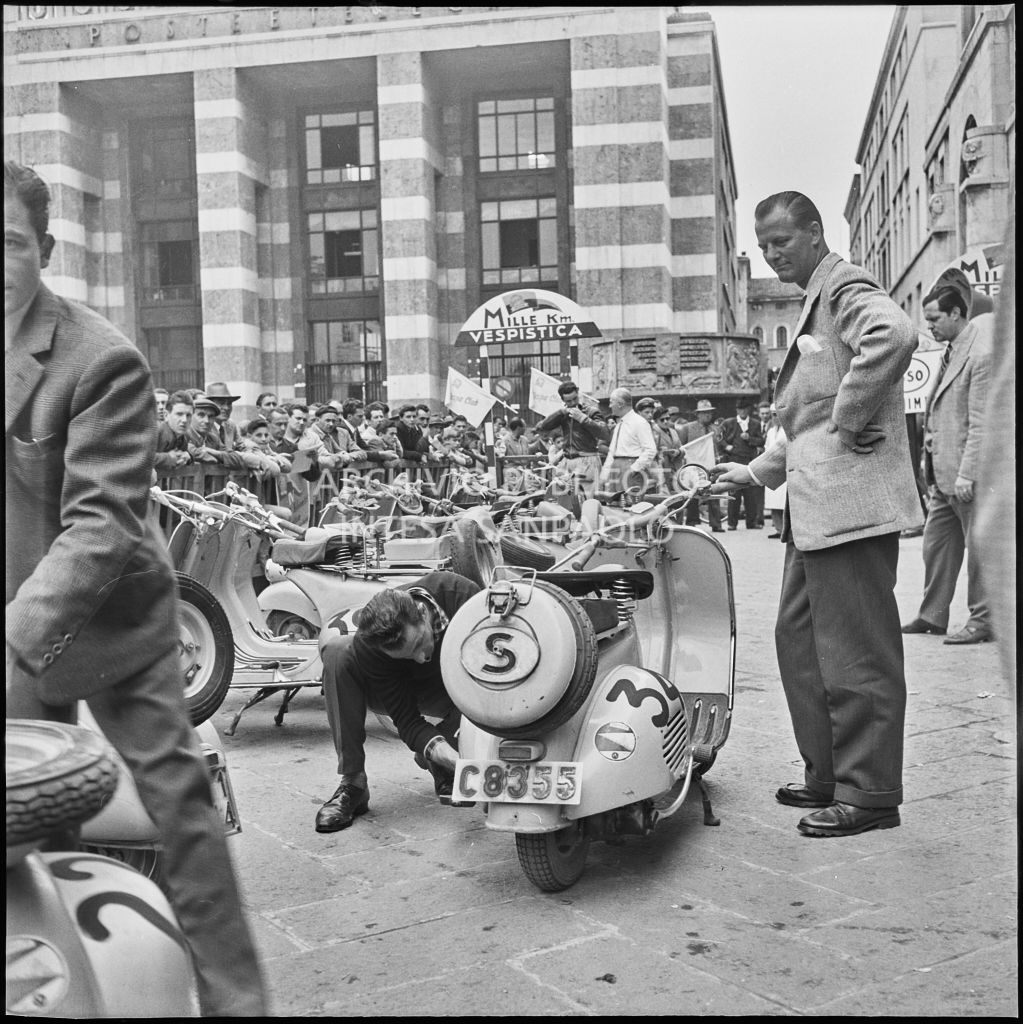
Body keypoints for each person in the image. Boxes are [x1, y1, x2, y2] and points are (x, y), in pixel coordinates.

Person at [4, 161, 266, 1014]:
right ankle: (58, 980)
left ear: (45, 249)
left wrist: (14, 634)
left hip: (113, 616)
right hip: (14, 622)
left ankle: (237, 998)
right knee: (27, 811)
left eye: (9, 243)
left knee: (177, 804)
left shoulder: (102, 358)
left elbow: (101, 527)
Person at [712, 190, 922, 839]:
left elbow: (895, 335)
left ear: (813, 232)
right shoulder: (815, 298)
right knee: (799, 639)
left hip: (849, 506)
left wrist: (849, 418)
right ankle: (828, 773)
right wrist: (753, 472)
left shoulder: (843, 285)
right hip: (815, 509)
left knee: (855, 651)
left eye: (780, 240)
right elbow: (809, 424)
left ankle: (869, 794)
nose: (772, 254)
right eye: (763, 245)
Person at [314, 571, 481, 833]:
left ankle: (438, 754)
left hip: (464, 688)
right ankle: (353, 782)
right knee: (337, 654)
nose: (420, 659)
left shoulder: (461, 596)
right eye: (406, 655)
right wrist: (456, 759)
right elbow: (406, 721)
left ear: (423, 613)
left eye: (419, 643)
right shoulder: (371, 643)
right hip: (400, 690)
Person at [901, 284, 992, 644]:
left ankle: (983, 620)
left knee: (980, 552)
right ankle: (932, 615)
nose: (930, 326)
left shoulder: (979, 354)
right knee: (936, 545)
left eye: (935, 318)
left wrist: (969, 473)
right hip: (942, 477)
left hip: (966, 478)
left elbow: (981, 422)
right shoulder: (950, 351)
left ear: (956, 313)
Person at [534, 381, 609, 498]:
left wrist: (583, 419)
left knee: (588, 500)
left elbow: (604, 433)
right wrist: (561, 412)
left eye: (575, 399)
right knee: (564, 500)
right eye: (569, 401)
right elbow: (543, 426)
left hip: (587, 459)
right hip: (567, 461)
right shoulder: (563, 414)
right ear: (563, 400)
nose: (573, 403)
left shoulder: (592, 411)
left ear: (578, 393)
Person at [676, 399, 724, 532]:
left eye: (710, 412)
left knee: (713, 492)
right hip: (693, 466)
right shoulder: (687, 428)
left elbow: (719, 446)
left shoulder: (715, 429)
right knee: (692, 494)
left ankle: (716, 523)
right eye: (704, 413)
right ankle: (691, 522)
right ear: (697, 414)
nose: (708, 415)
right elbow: (682, 447)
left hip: (711, 465)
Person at [718, 399, 766, 529]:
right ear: (737, 410)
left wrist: (749, 438)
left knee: (751, 495)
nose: (743, 411)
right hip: (734, 460)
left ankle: (751, 523)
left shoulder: (755, 423)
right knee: (734, 494)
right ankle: (732, 523)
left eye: (745, 409)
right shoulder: (729, 423)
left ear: (748, 409)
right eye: (740, 409)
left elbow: (761, 441)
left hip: (750, 462)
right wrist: (726, 446)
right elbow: (719, 438)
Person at [600, 387, 657, 492]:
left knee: (630, 500)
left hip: (631, 467)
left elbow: (650, 450)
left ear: (620, 404)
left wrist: (634, 469)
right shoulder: (619, 425)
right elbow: (612, 452)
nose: (610, 406)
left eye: (611, 402)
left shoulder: (639, 423)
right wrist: (604, 474)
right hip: (615, 469)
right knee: (614, 500)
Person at [154, 389, 196, 473]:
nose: (184, 420)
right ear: (166, 415)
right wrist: (168, 458)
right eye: (179, 414)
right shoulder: (155, 432)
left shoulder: (182, 438)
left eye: (188, 415)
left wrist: (188, 457)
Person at [762, 403, 787, 538]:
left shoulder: (787, 430)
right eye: (773, 415)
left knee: (783, 502)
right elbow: (767, 449)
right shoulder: (771, 432)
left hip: (783, 469)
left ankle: (785, 530)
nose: (775, 418)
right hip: (771, 468)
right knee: (773, 501)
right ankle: (778, 529)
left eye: (777, 415)